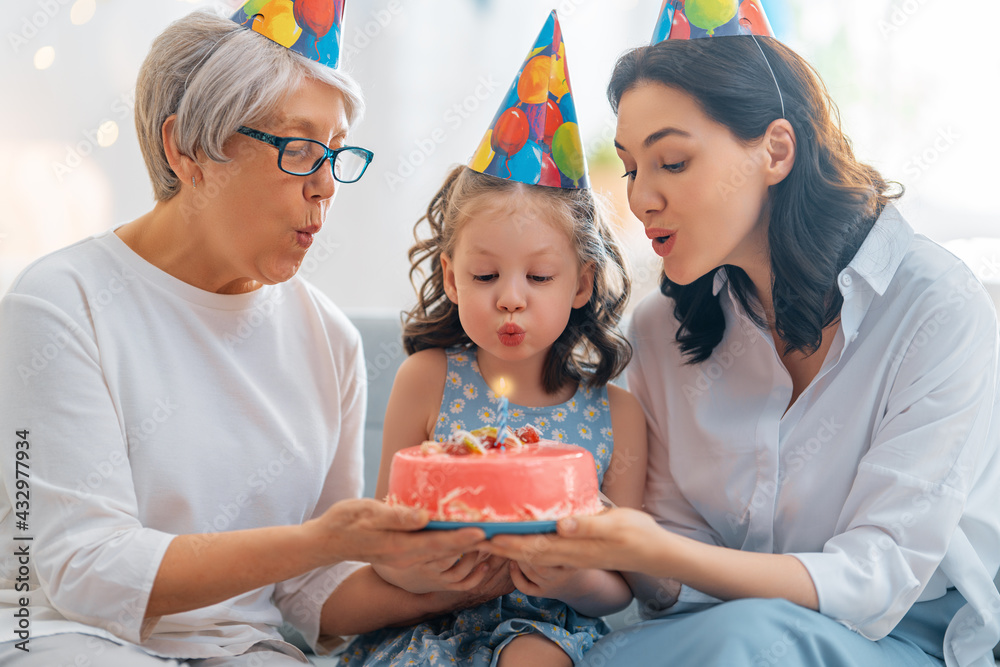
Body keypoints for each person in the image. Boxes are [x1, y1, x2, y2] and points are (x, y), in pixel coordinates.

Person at [481, 4, 1000, 667]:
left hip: (903, 641)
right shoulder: (661, 329)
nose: (639, 198)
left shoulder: (933, 305)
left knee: (745, 641)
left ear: (776, 150)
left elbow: (879, 575)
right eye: (632, 167)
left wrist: (653, 548)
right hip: (719, 636)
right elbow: (668, 591)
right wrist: (575, 562)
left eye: (672, 161)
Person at [0, 7, 511, 666]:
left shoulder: (329, 338)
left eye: (335, 152)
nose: (326, 185)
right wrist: (321, 539)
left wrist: (453, 582)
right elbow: (85, 569)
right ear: (187, 148)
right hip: (68, 641)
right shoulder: (60, 302)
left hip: (247, 650)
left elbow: (310, 588)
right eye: (298, 149)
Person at [341, 13, 647, 667]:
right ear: (450, 276)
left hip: (547, 628)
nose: (510, 295)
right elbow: (384, 542)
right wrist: (431, 575)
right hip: (426, 621)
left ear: (582, 281)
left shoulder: (618, 414)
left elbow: (623, 584)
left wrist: (565, 577)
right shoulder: (426, 378)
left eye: (539, 275)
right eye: (485, 274)